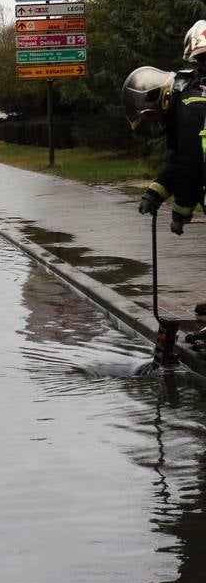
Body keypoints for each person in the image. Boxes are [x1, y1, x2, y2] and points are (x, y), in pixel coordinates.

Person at [124, 20, 206, 342]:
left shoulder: (189, 105)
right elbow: (182, 158)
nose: (202, 66)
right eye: (200, 60)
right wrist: (156, 193)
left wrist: (182, 210)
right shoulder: (191, 98)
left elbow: (191, 162)